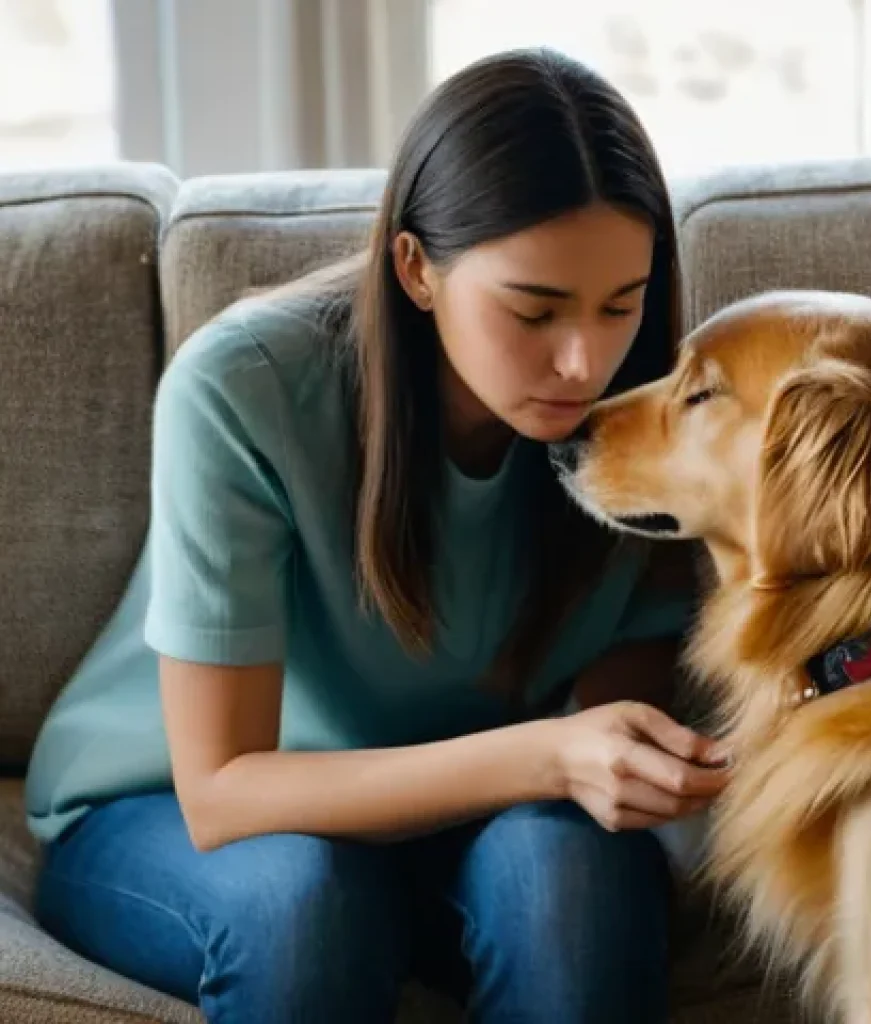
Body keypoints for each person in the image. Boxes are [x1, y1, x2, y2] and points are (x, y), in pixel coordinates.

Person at [24, 47, 731, 1024]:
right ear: (416, 268)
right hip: (170, 812)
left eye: (621, 303)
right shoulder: (244, 386)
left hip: (477, 814)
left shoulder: (647, 402)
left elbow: (628, 662)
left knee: (571, 872)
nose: (583, 361)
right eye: (534, 309)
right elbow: (223, 790)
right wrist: (552, 755)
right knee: (305, 904)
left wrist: (618, 756)